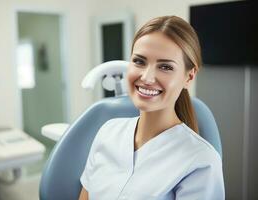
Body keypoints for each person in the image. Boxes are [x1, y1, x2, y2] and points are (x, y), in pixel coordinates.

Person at [78, 15, 225, 200]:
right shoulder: (108, 132)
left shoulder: (201, 161)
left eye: (165, 67)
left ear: (189, 77)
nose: (147, 77)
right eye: (139, 61)